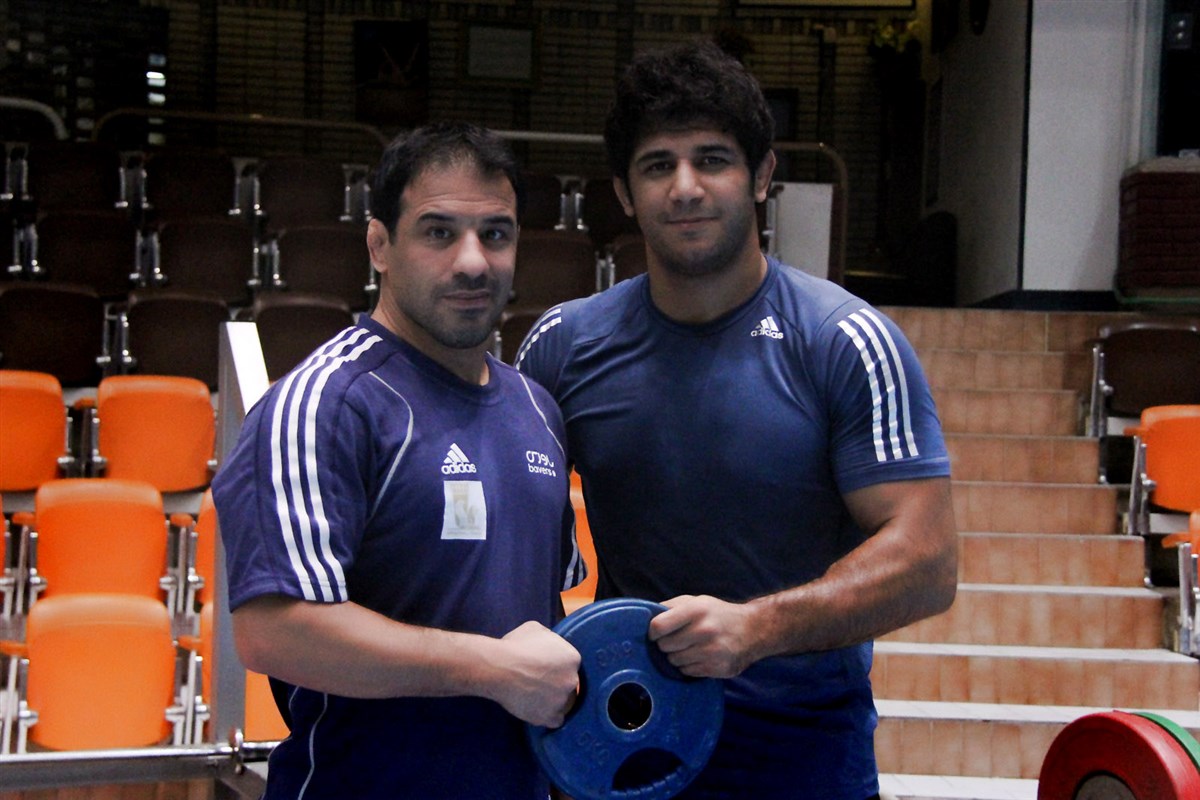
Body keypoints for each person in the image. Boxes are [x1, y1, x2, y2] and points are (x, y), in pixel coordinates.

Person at [516, 40, 957, 800]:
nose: (686, 187)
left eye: (712, 160)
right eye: (658, 165)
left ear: (761, 176)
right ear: (625, 192)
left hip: (802, 751)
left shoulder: (843, 342)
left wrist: (755, 630)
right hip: (622, 743)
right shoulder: (563, 346)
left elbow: (928, 564)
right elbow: (506, 536)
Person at [212, 122, 585, 799]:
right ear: (379, 245)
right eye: (439, 232)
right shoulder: (327, 404)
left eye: (495, 234)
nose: (473, 261)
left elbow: (539, 616)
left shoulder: (537, 409)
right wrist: (493, 670)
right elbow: (273, 632)